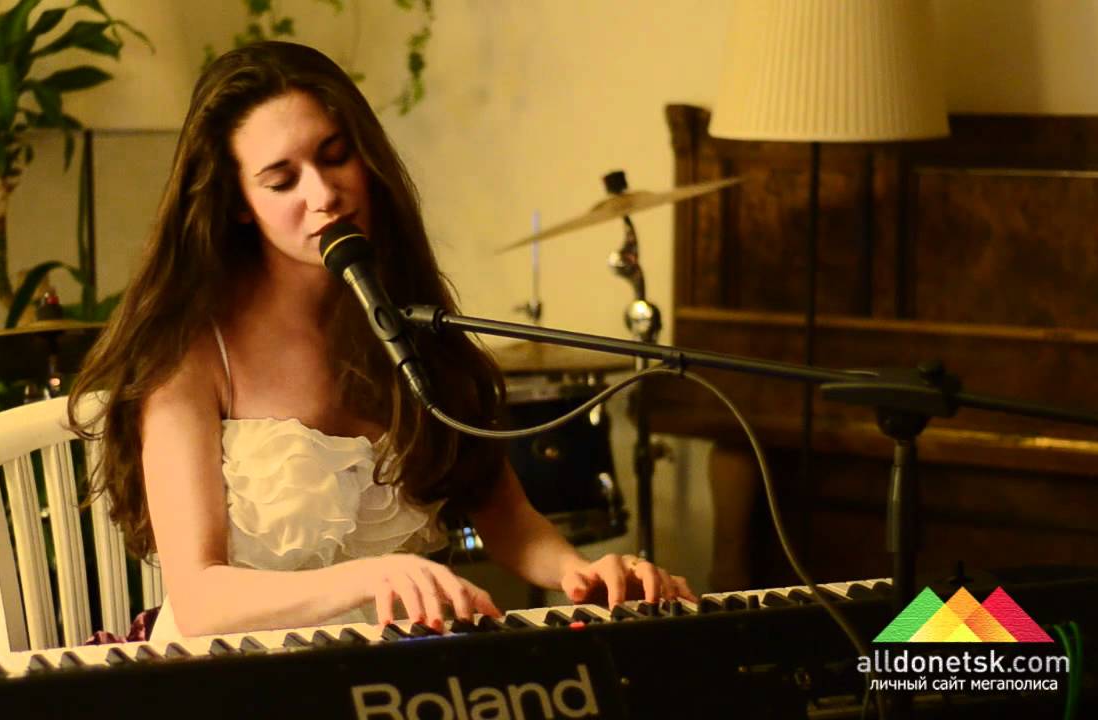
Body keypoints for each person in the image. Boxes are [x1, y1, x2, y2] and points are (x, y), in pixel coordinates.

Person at [70, 41, 695, 644]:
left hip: (392, 676)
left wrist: (581, 572)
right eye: (282, 180)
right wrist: (369, 578)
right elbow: (200, 598)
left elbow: (504, 514)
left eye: (335, 156)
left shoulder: (407, 324)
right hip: (237, 676)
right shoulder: (189, 352)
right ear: (238, 203)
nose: (323, 195)